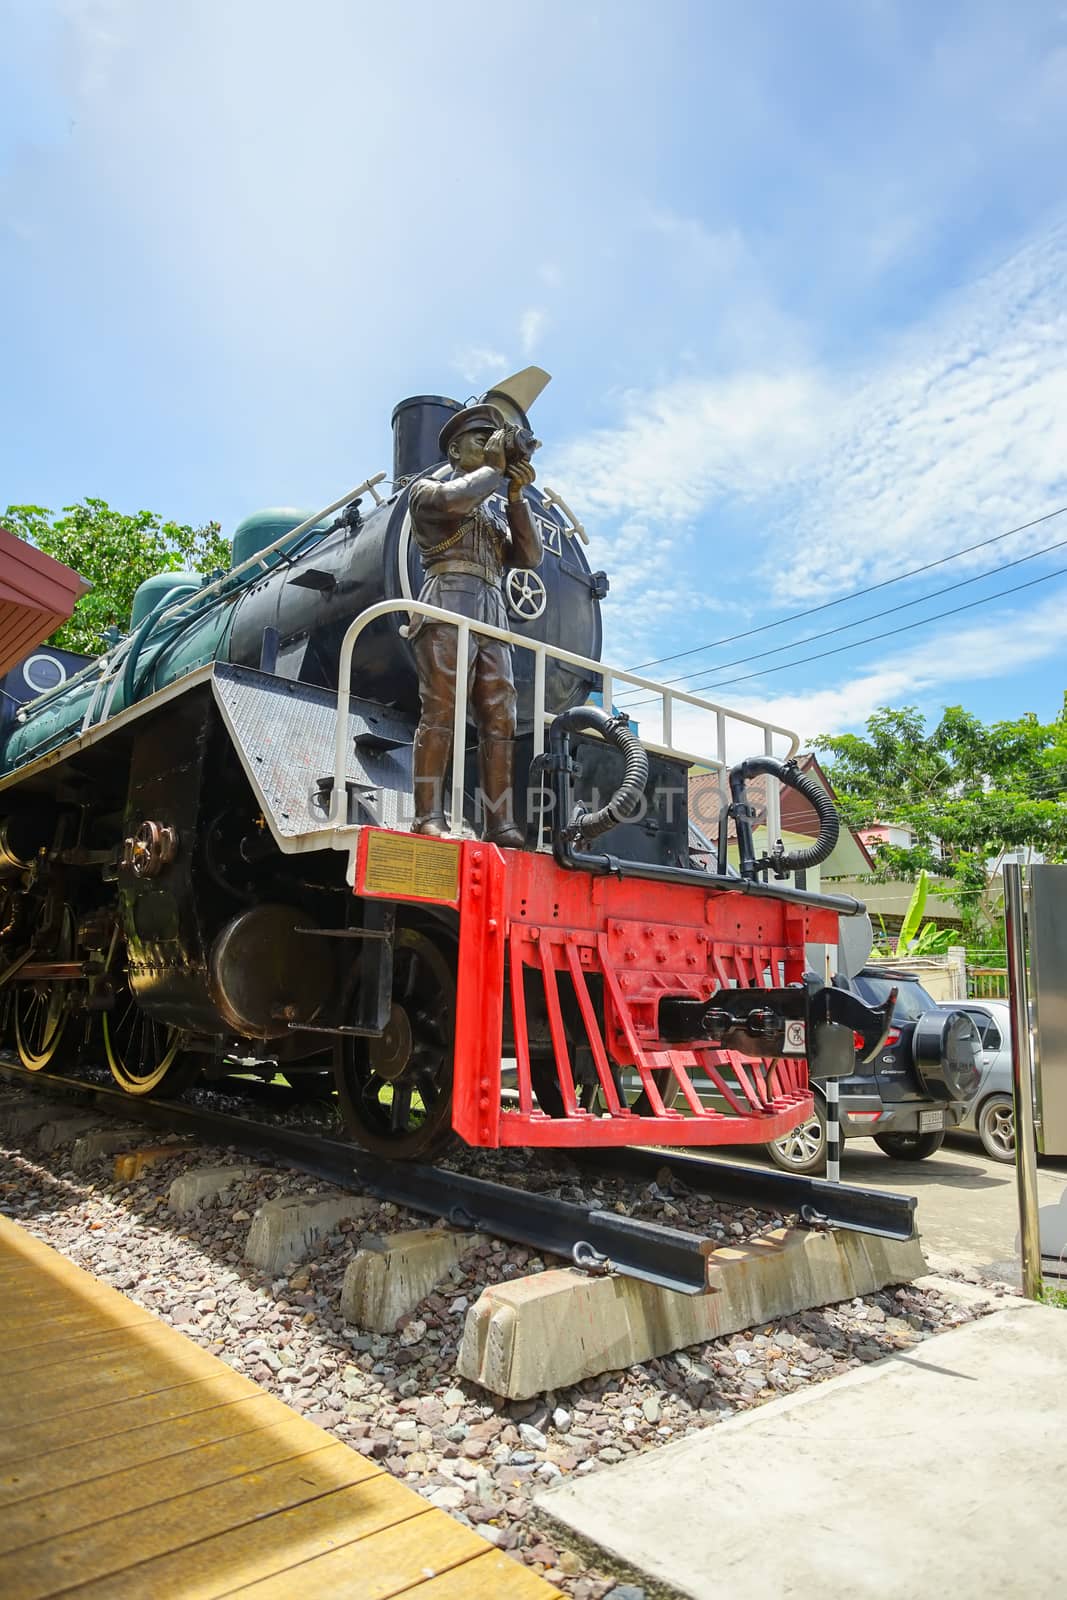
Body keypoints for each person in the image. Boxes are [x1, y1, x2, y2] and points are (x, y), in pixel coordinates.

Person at [407, 402, 542, 846]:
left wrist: (517, 497)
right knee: (441, 709)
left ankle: (499, 823)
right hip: (447, 602)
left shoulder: (488, 512)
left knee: (500, 718)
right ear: (454, 452)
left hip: (491, 612)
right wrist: (495, 469)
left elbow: (529, 557)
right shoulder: (426, 491)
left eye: (493, 440)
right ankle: (428, 815)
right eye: (480, 441)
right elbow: (454, 499)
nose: (489, 447)